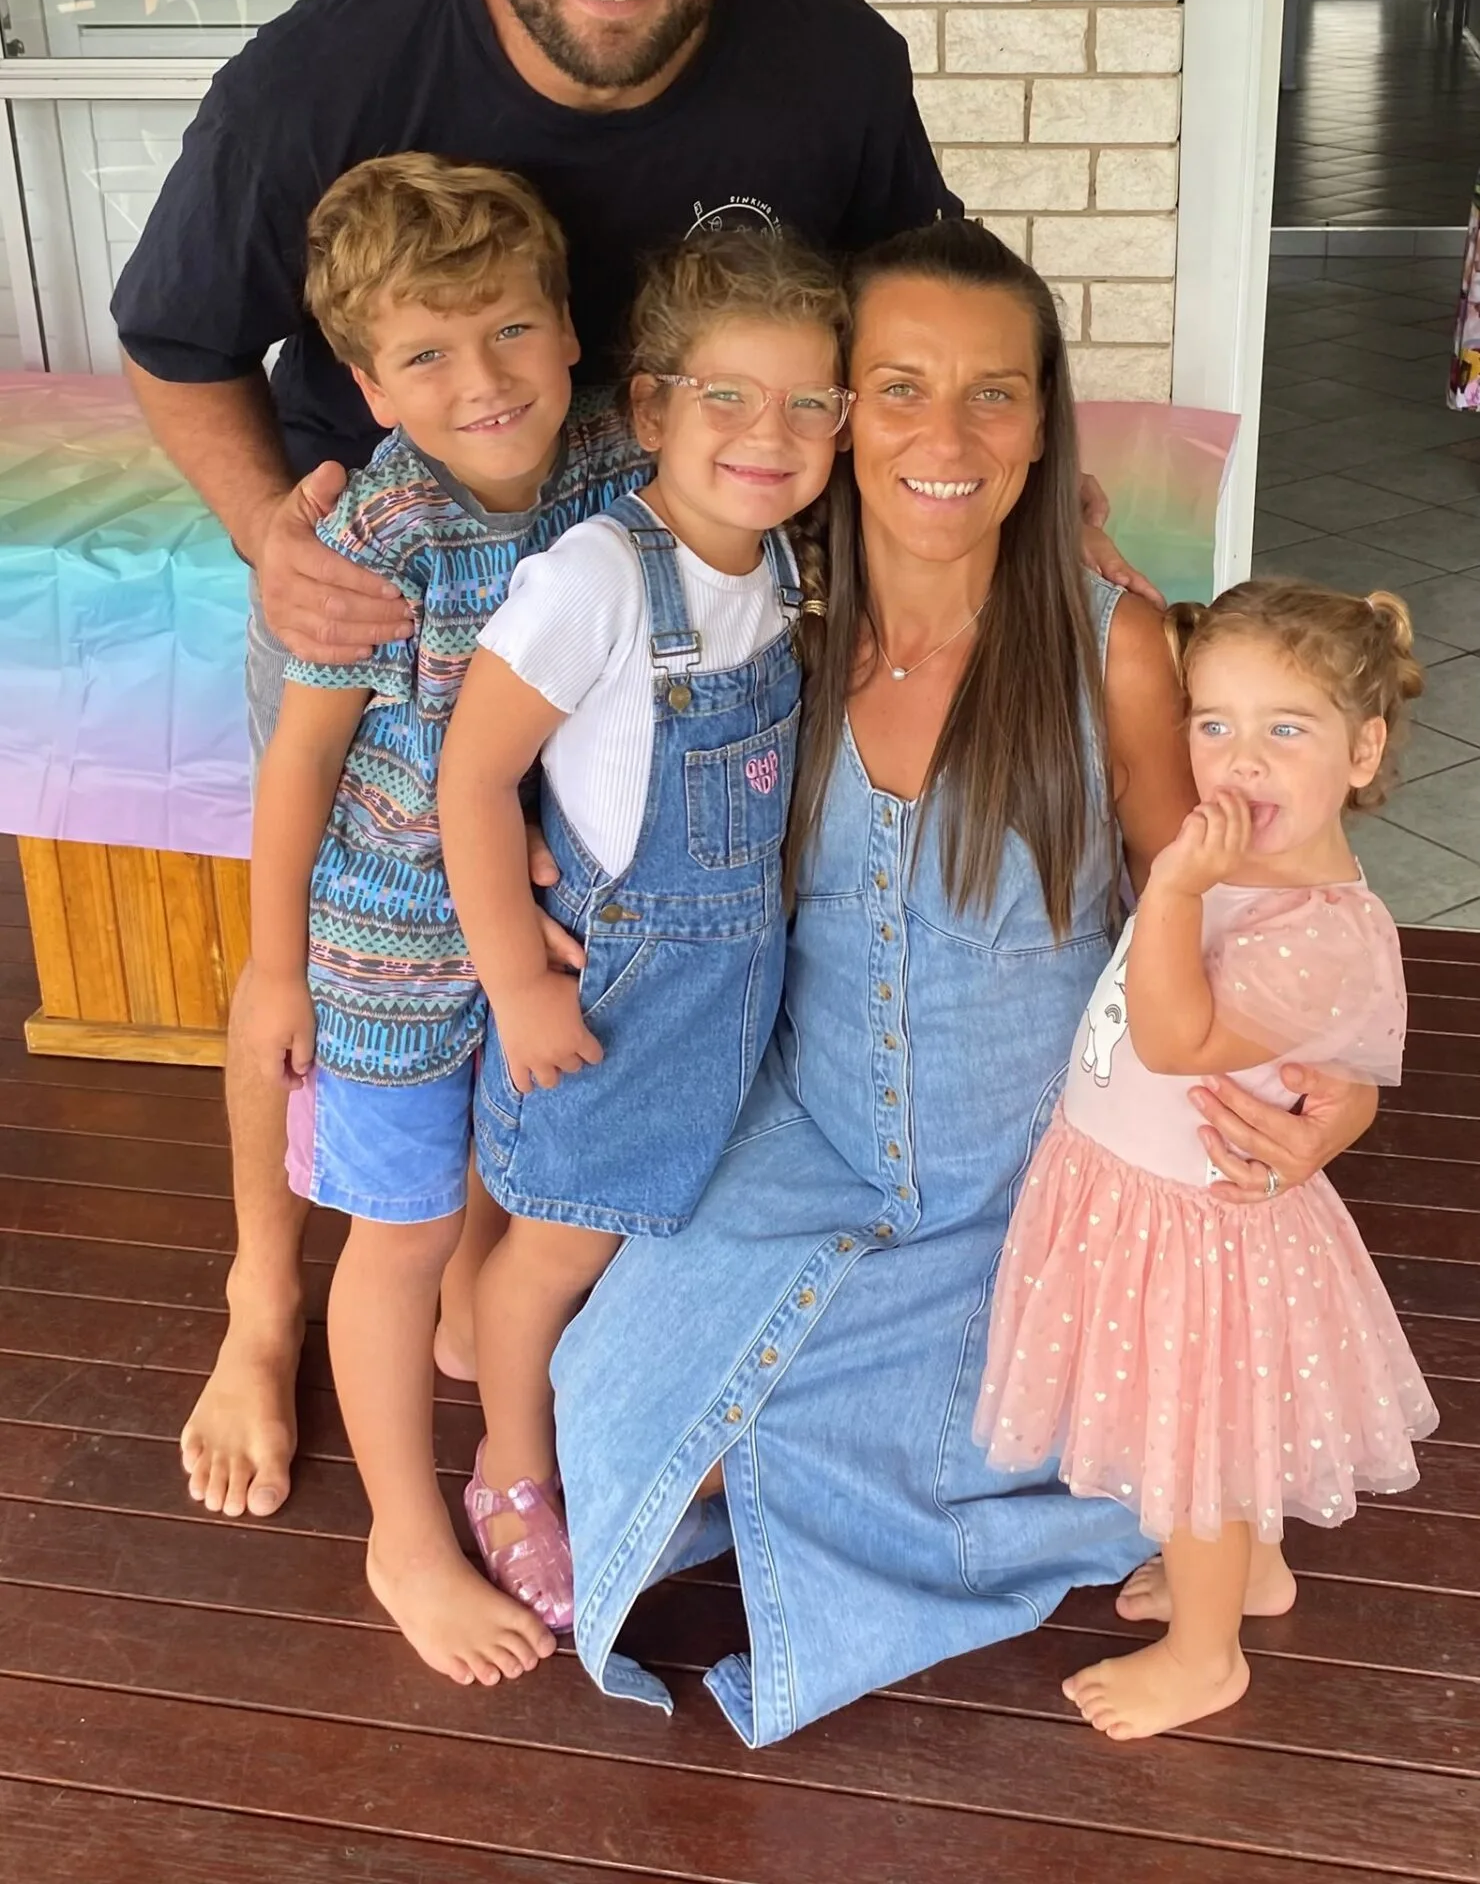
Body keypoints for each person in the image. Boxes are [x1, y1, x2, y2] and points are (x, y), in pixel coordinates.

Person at [109, 0, 965, 1524]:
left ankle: (468, 1288)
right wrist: (272, 539)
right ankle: (265, 1300)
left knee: (556, 975)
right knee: (332, 980)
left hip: (646, 616)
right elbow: (174, 339)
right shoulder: (320, 81)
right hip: (383, 629)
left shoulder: (827, 57)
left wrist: (1002, 499)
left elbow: (923, 302)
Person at [546, 219, 1382, 1747]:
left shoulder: (1113, 650)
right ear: (839, 413)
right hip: (808, 1137)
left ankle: (1179, 1496)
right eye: (901, 388)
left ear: (1043, 425)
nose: (948, 437)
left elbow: (1231, 906)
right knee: (617, 1396)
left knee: (817, 1450)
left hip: (1031, 1185)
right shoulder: (773, 624)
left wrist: (1337, 1093)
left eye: (995, 394)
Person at [239, 152, 648, 1685]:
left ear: (568, 326)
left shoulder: (617, 459)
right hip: (391, 949)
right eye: (427, 355)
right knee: (400, 1233)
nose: (484, 382)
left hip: (553, 919)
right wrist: (275, 970)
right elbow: (302, 761)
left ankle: (499, 1391)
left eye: (511, 330)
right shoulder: (382, 536)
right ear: (368, 386)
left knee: (523, 1174)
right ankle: (405, 1536)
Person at [439, 231, 849, 1631]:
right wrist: (517, 985)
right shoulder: (600, 578)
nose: (768, 434)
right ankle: (510, 1474)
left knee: (639, 1243)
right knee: (554, 1254)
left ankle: (613, 1421)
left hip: (730, 996)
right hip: (612, 1001)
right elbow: (473, 777)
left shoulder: (782, 565)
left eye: (807, 403)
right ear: (653, 408)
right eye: (727, 397)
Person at [976, 578, 1437, 1742]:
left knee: (1194, 1451)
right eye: (1214, 723)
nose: (1241, 759)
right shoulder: (1239, 860)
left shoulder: (1319, 928)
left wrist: (1176, 884)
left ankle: (1203, 1656)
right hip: (1144, 1201)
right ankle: (1252, 1573)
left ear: (1362, 750)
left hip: (1198, 1236)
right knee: (1213, 1443)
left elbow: (1173, 1038)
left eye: (1287, 728)